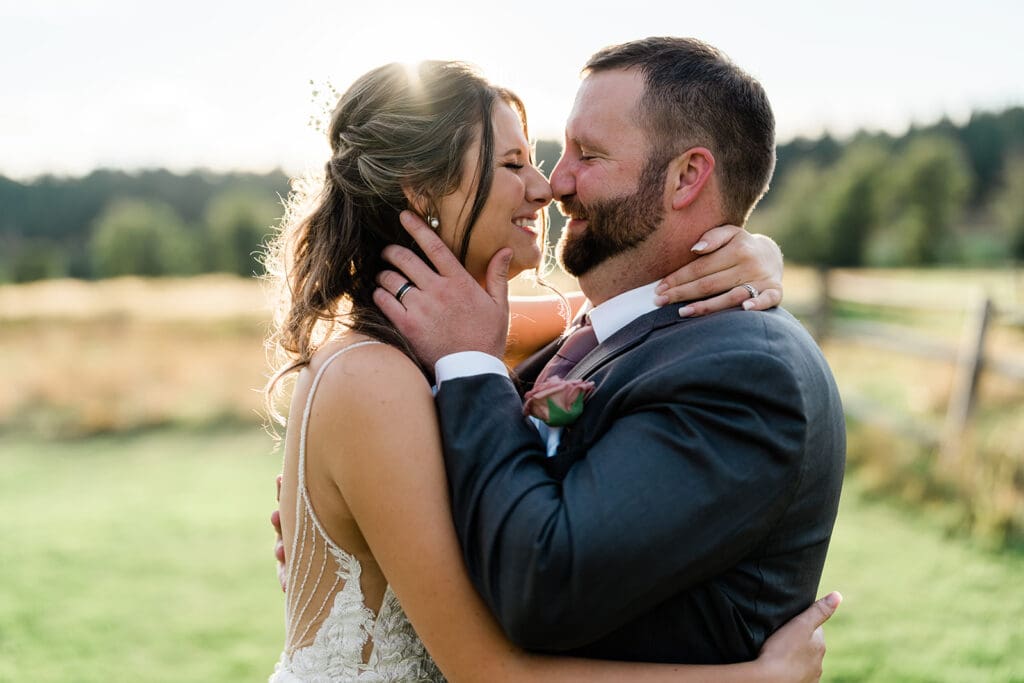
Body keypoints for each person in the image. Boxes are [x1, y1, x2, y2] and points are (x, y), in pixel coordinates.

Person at [265, 59, 839, 682]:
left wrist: (754, 253)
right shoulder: (381, 372)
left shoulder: (463, 338)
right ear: (420, 192)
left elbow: (616, 321)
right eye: (515, 164)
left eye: (582, 154)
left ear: (686, 177)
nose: (548, 186)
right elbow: (489, 670)